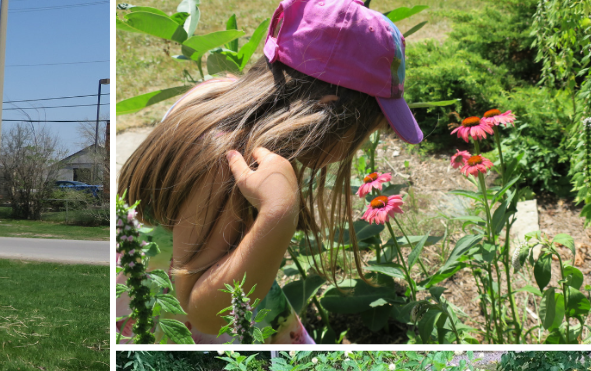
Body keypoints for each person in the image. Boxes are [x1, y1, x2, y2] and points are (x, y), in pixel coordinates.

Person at [118, 0, 424, 343]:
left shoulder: (216, 92)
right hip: (175, 329)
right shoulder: (229, 162)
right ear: (327, 112)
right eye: (362, 135)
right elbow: (203, 314)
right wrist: (278, 215)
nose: (355, 150)